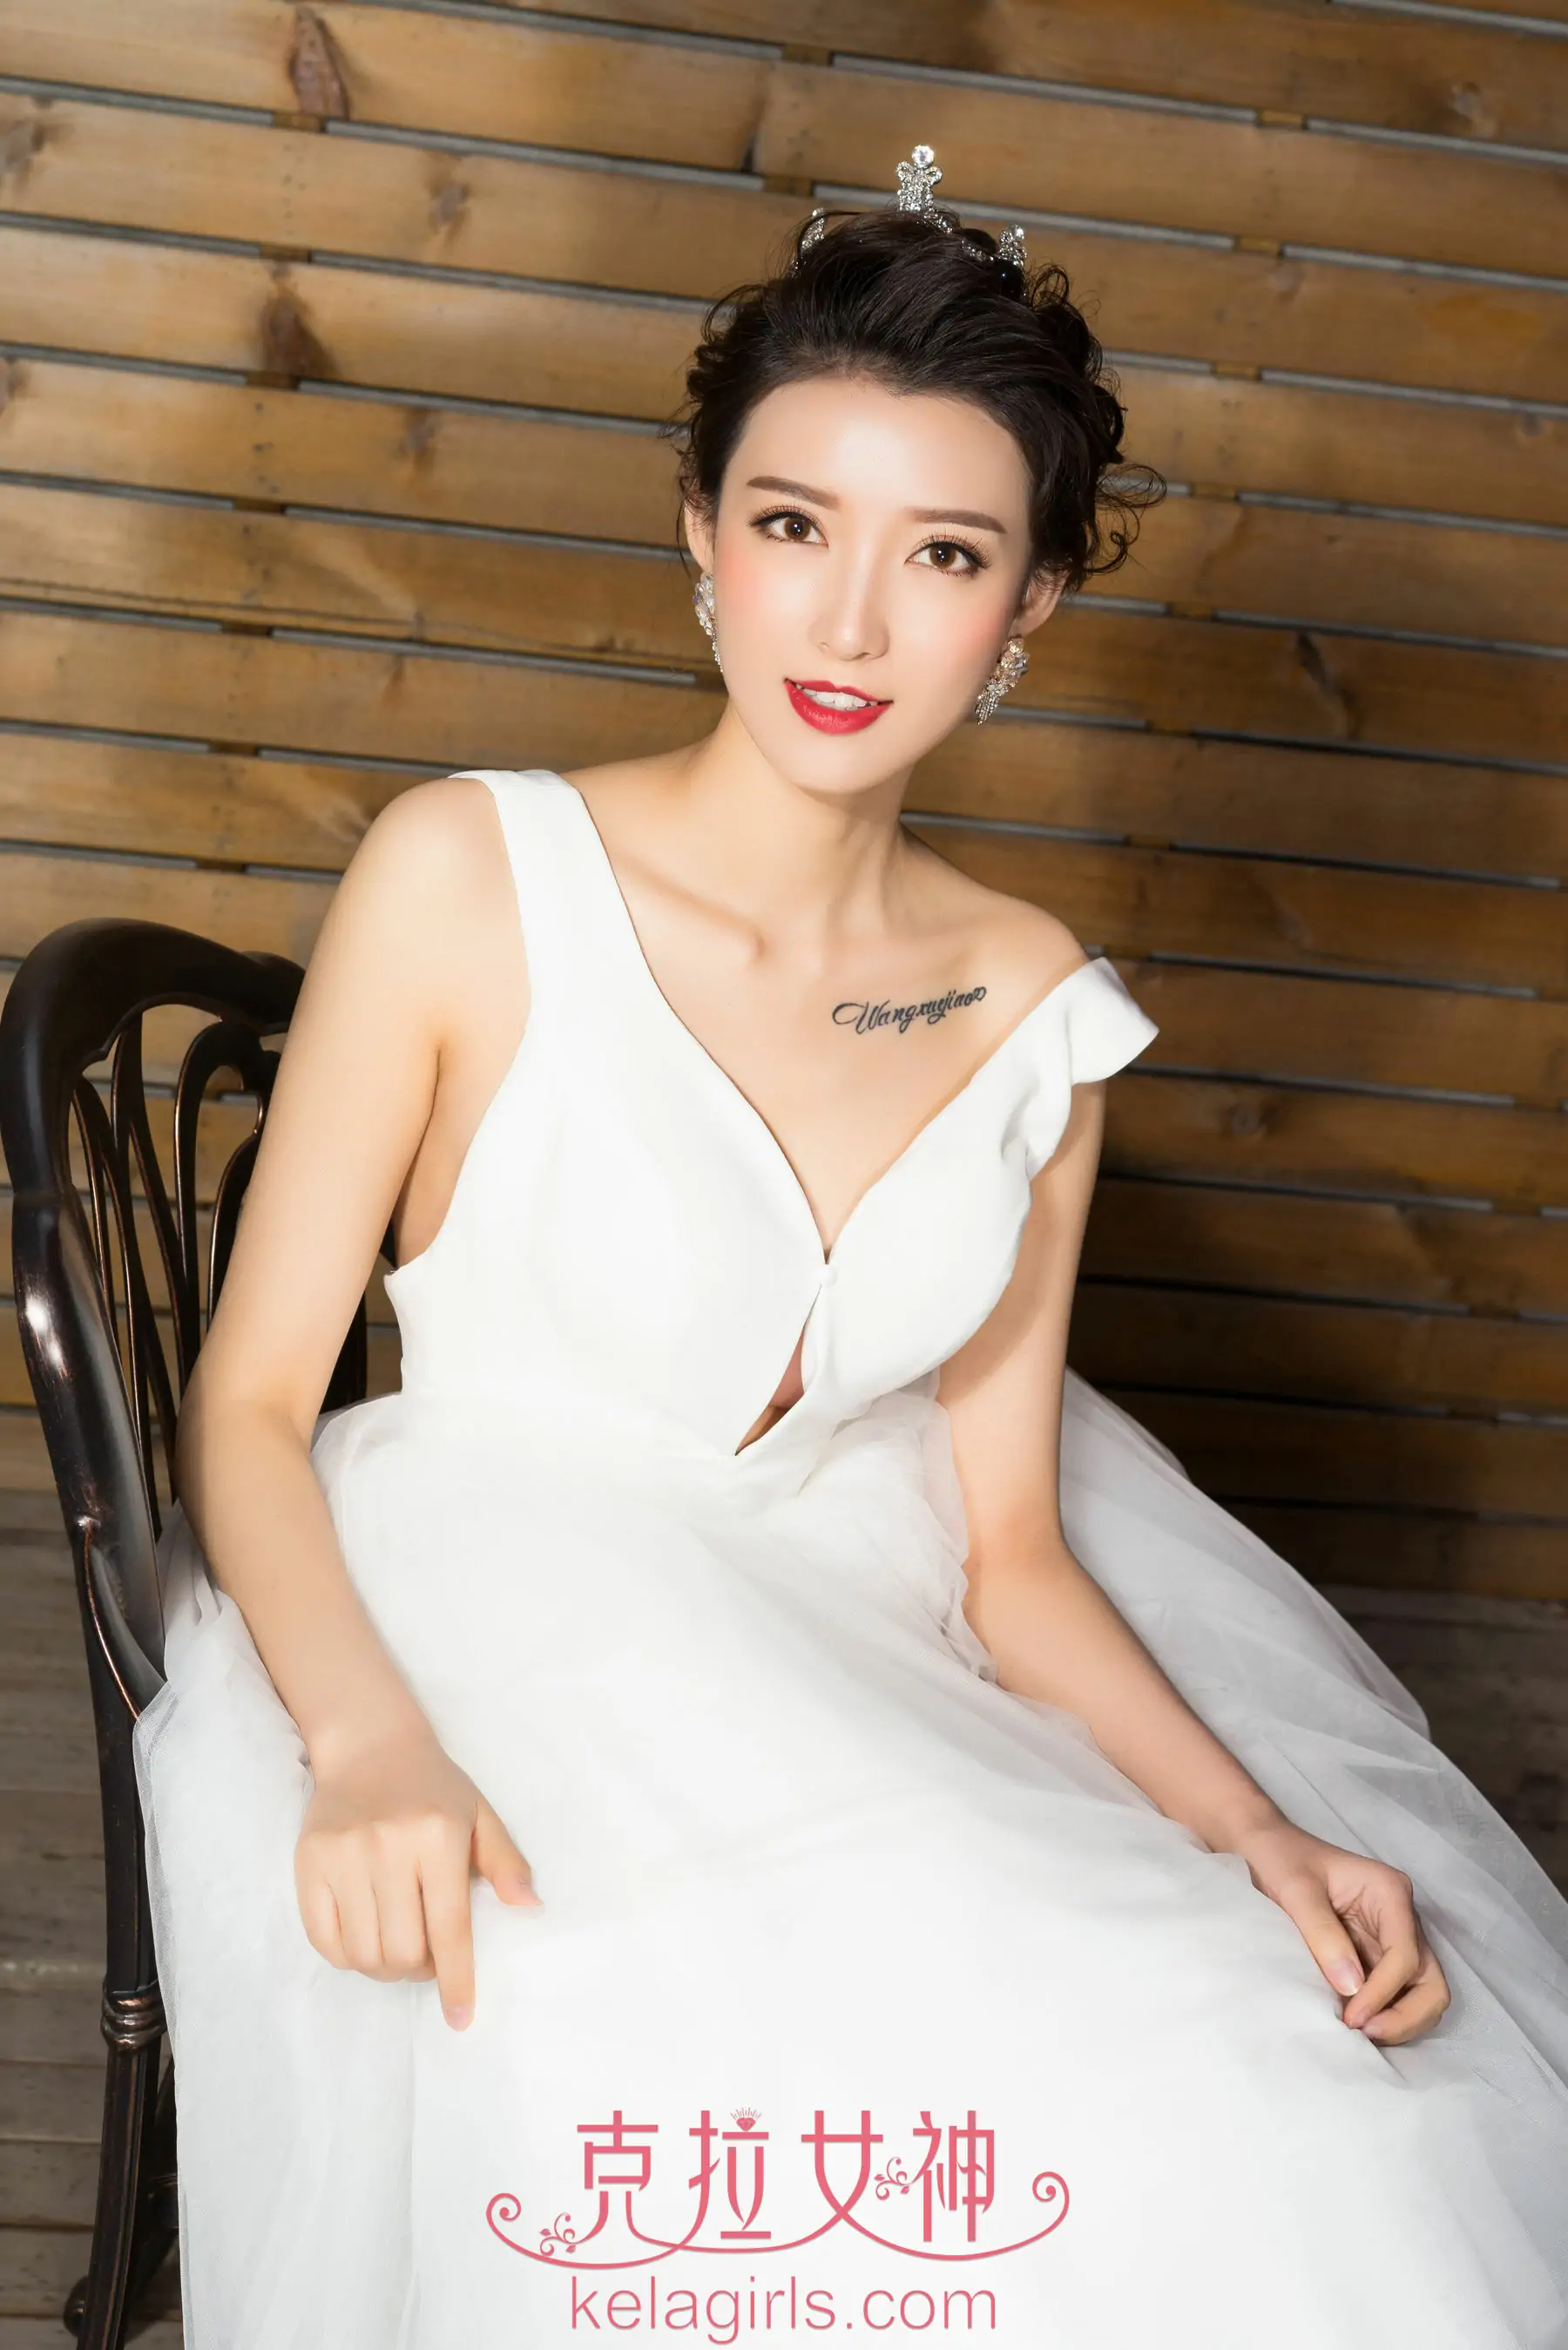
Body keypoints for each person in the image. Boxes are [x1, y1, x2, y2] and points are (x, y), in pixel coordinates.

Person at [133, 147, 1568, 2347]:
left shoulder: (1035, 1006)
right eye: (796, 525)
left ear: (1028, 611)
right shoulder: (470, 874)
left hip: (849, 1639)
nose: (854, 623)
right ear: (701, 536)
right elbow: (247, 1407)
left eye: (946, 554)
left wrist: (1256, 1829)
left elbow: (1013, 1556)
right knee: (677, 2119)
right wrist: (368, 1745)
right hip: (480, 1622)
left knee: (1263, 2091)